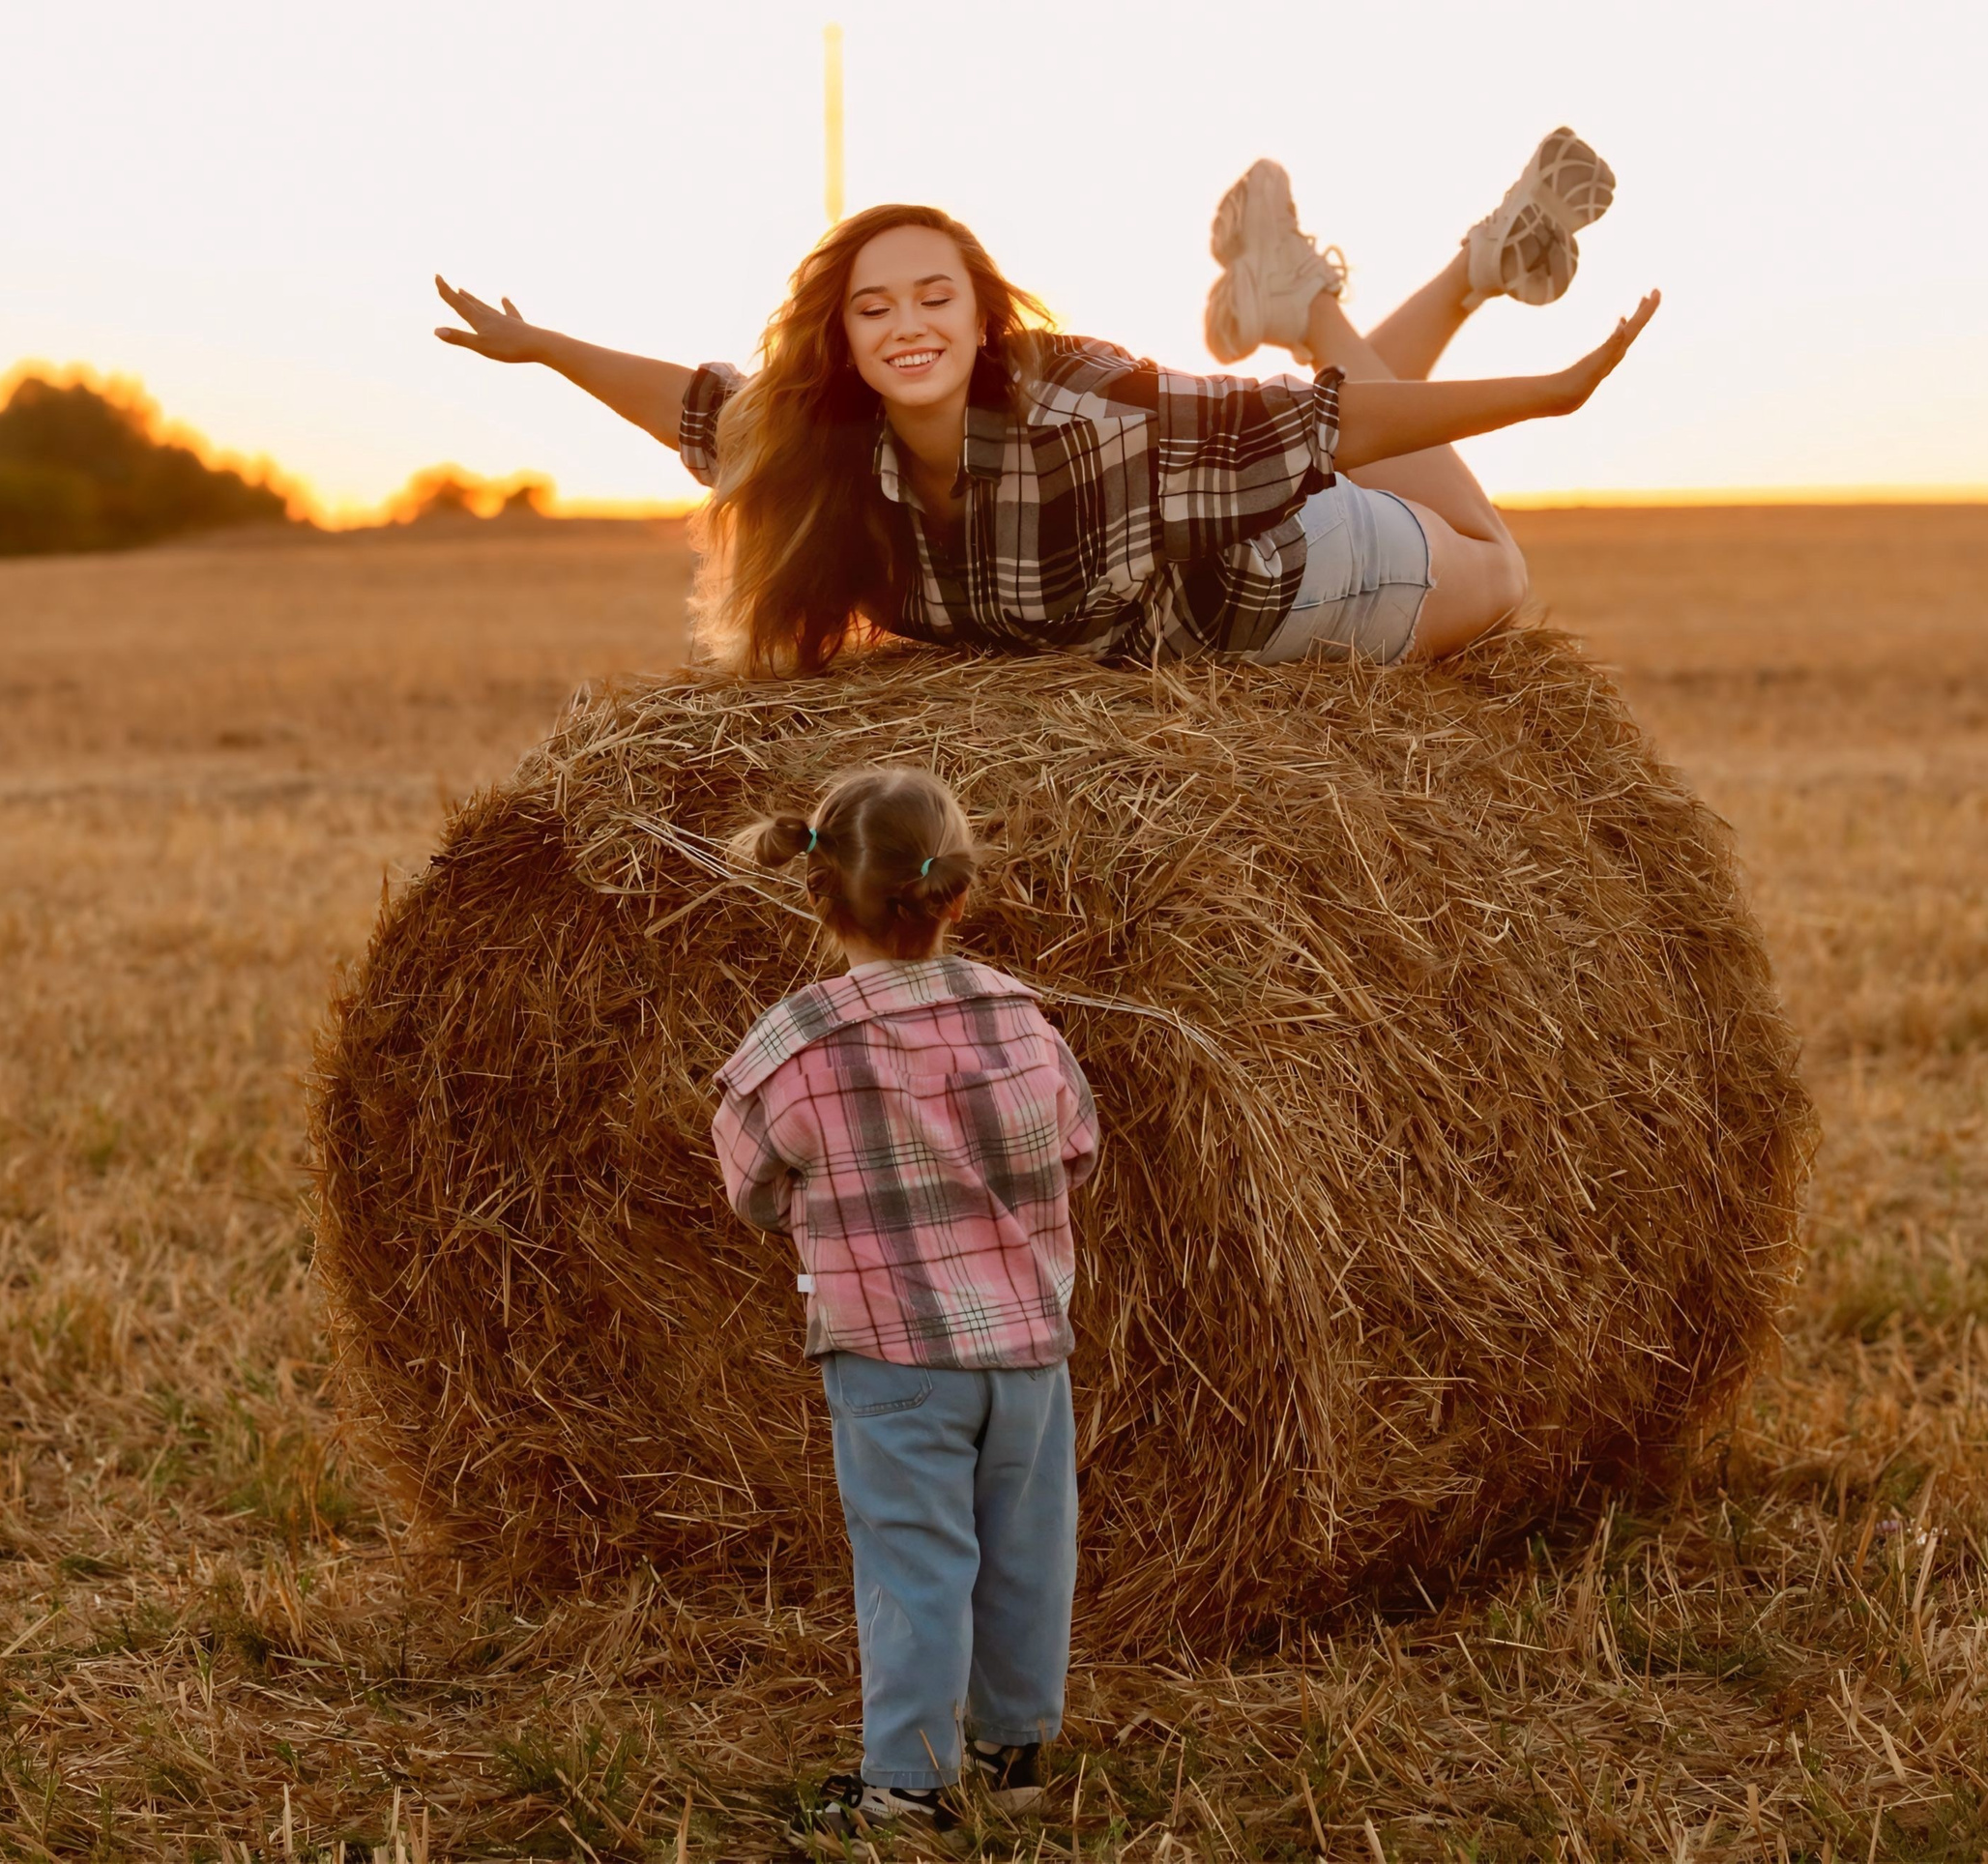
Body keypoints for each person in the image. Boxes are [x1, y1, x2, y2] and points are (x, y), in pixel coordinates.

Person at [434, 131, 1648, 677]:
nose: (907, 325)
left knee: (1499, 566)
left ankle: (1310, 296)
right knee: (1329, 431)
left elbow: (1327, 428)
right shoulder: (819, 437)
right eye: (875, 309)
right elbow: (697, 411)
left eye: (933, 298)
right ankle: (1471, 268)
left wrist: (1552, 395)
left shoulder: (1086, 409)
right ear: (843, 340)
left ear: (977, 316)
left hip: (1283, 593)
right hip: (1201, 562)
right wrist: (538, 346)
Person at [709, 766, 1098, 1835]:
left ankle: (908, 1786)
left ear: (816, 893)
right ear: (957, 896)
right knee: (1029, 1550)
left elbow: (748, 1180)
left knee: (914, 1560)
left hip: (890, 1355)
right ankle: (1014, 1757)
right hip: (1026, 1347)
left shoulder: (799, 1045)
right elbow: (1077, 1147)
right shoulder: (1022, 1021)